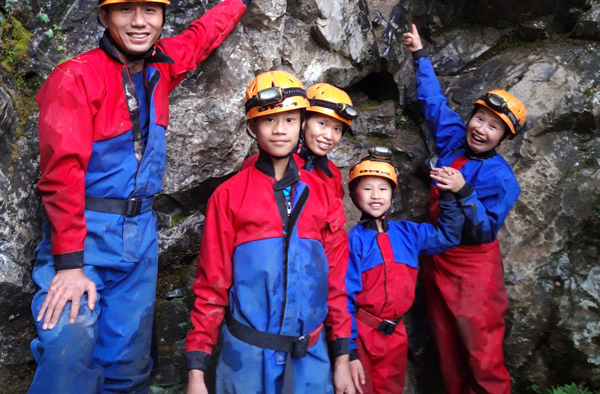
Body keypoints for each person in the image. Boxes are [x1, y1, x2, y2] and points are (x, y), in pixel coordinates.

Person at [28, 0, 273, 394]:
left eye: (151, 11)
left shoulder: (159, 69)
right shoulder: (75, 78)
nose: (139, 22)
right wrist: (68, 266)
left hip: (140, 237)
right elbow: (60, 177)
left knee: (127, 367)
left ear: (162, 17)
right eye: (125, 10)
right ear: (104, 16)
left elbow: (199, 39)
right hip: (83, 235)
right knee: (67, 357)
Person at [185, 70, 355, 394]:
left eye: (290, 119)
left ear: (302, 123)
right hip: (245, 359)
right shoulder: (228, 196)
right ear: (252, 127)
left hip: (311, 359)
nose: (280, 130)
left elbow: (334, 282)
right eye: (268, 120)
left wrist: (342, 357)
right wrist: (196, 370)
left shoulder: (322, 195)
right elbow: (211, 286)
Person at [402, 23, 527, 394]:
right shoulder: (455, 139)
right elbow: (433, 102)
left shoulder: (501, 178)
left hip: (473, 269)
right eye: (480, 118)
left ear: (503, 138)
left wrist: (464, 190)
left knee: (482, 352)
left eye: (493, 127)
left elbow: (485, 230)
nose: (482, 128)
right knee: (448, 350)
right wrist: (419, 54)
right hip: (438, 259)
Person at [345, 147, 470, 394]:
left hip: (395, 334)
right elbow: (343, 298)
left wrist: (448, 197)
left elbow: (448, 236)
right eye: (367, 188)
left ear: (393, 193)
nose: (375, 195)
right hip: (362, 335)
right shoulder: (352, 242)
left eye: (383, 188)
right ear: (354, 195)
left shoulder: (408, 233)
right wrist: (347, 350)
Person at [242, 82, 358, 200]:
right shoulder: (259, 164)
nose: (329, 136)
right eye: (322, 124)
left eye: (337, 129)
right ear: (303, 122)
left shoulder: (332, 175)